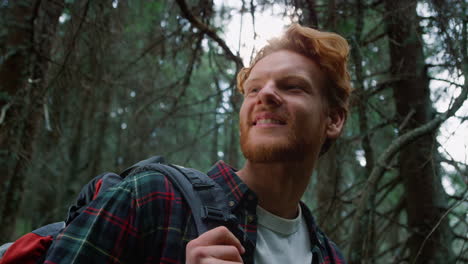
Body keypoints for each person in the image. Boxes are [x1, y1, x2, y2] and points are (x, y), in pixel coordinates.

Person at [44, 23, 351, 264]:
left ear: (333, 120)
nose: (265, 95)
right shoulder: (151, 197)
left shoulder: (330, 258)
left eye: (293, 87)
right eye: (254, 88)